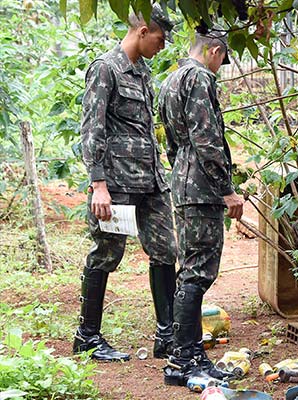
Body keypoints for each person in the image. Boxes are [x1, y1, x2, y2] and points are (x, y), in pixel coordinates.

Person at [74, 4, 177, 361]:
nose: (162, 46)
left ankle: (168, 336)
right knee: (107, 253)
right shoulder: (106, 69)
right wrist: (98, 183)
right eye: (160, 39)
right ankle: (87, 336)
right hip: (115, 182)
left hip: (150, 179)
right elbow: (92, 128)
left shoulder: (143, 70)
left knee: (166, 249)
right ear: (143, 31)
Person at [158, 25, 244, 386]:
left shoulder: (170, 80)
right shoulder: (200, 79)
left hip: (183, 180)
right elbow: (207, 140)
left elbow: (172, 143)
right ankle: (182, 359)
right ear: (214, 51)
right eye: (223, 58)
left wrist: (184, 172)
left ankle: (191, 354)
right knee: (197, 272)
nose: (220, 65)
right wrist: (226, 190)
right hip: (202, 187)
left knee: (191, 268)